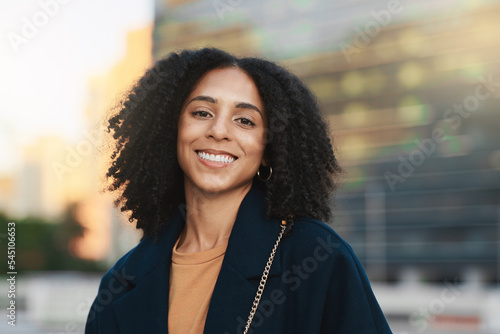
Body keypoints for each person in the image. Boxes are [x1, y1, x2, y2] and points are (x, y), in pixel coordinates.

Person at [85, 48, 393, 334]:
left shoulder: (317, 256)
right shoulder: (121, 283)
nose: (218, 130)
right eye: (202, 112)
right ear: (172, 129)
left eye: (245, 121)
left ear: (269, 149)